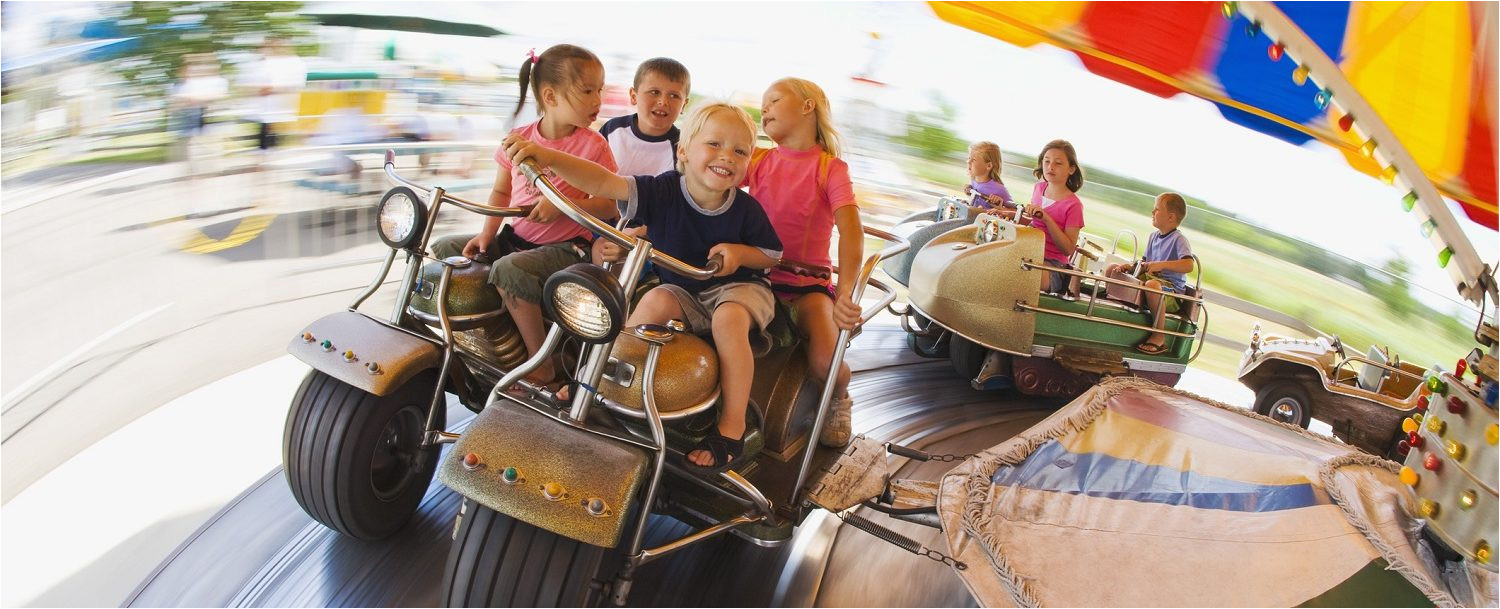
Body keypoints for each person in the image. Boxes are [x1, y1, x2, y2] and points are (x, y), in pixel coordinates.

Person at [506, 102, 782, 475]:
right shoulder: (663, 191)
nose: (726, 157)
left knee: (729, 319)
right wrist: (548, 157)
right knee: (650, 302)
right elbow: (604, 182)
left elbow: (770, 255)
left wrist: (739, 254)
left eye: (739, 151)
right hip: (684, 288)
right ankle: (597, 382)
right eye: (714, 144)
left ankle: (732, 426)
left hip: (737, 287)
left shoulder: (746, 210)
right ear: (683, 151)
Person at [430, 44, 619, 392]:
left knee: (509, 269)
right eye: (588, 90)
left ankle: (541, 362)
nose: (598, 100)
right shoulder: (518, 141)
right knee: (443, 248)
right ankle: (480, 337)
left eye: (600, 91)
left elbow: (611, 204)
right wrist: (487, 232)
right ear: (550, 96)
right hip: (516, 237)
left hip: (566, 247)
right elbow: (501, 193)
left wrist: (563, 204)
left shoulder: (594, 146)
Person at [747, 77, 863, 448]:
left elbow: (851, 232)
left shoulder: (830, 169)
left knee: (826, 365)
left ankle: (837, 397)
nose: (764, 109)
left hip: (807, 287)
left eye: (774, 99)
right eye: (763, 104)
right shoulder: (759, 160)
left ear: (807, 106)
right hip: (755, 277)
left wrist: (844, 293)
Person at [593, 57, 690, 265]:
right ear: (634, 96)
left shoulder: (683, 149)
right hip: (604, 223)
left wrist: (638, 235)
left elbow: (675, 208)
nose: (663, 101)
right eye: (654, 92)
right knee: (601, 249)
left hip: (650, 232)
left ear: (684, 105)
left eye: (674, 95)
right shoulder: (612, 130)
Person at [1106, 192, 1195, 355]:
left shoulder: (1179, 239)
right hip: (1150, 280)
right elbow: (1145, 263)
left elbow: (1189, 264)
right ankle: (1114, 310)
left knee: (1152, 285)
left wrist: (1160, 265)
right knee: (1112, 268)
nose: (1152, 212)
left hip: (1171, 291)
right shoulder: (1153, 236)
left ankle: (1158, 336)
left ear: (1171, 217)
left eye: (1157, 209)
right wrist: (1130, 267)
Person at [1001, 139, 1085, 293]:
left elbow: (1067, 248)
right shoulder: (1039, 188)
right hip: (1029, 252)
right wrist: (1007, 213)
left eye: (1058, 163)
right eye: (1046, 161)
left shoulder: (1074, 206)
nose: (1050, 167)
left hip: (1054, 267)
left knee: (1015, 272)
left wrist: (1047, 219)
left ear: (1071, 169)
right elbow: (1034, 221)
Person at [240, 38, 306, 157]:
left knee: (274, 146)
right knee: (265, 145)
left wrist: (271, 89)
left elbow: (292, 85)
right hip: (267, 112)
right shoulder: (266, 63)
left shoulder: (293, 62)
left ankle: (267, 163)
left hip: (279, 111)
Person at [962, 141, 1013, 214]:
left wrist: (1000, 206)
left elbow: (1012, 211)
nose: (968, 162)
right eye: (969, 158)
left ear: (988, 166)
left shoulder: (999, 189)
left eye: (973, 160)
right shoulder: (974, 180)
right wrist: (968, 190)